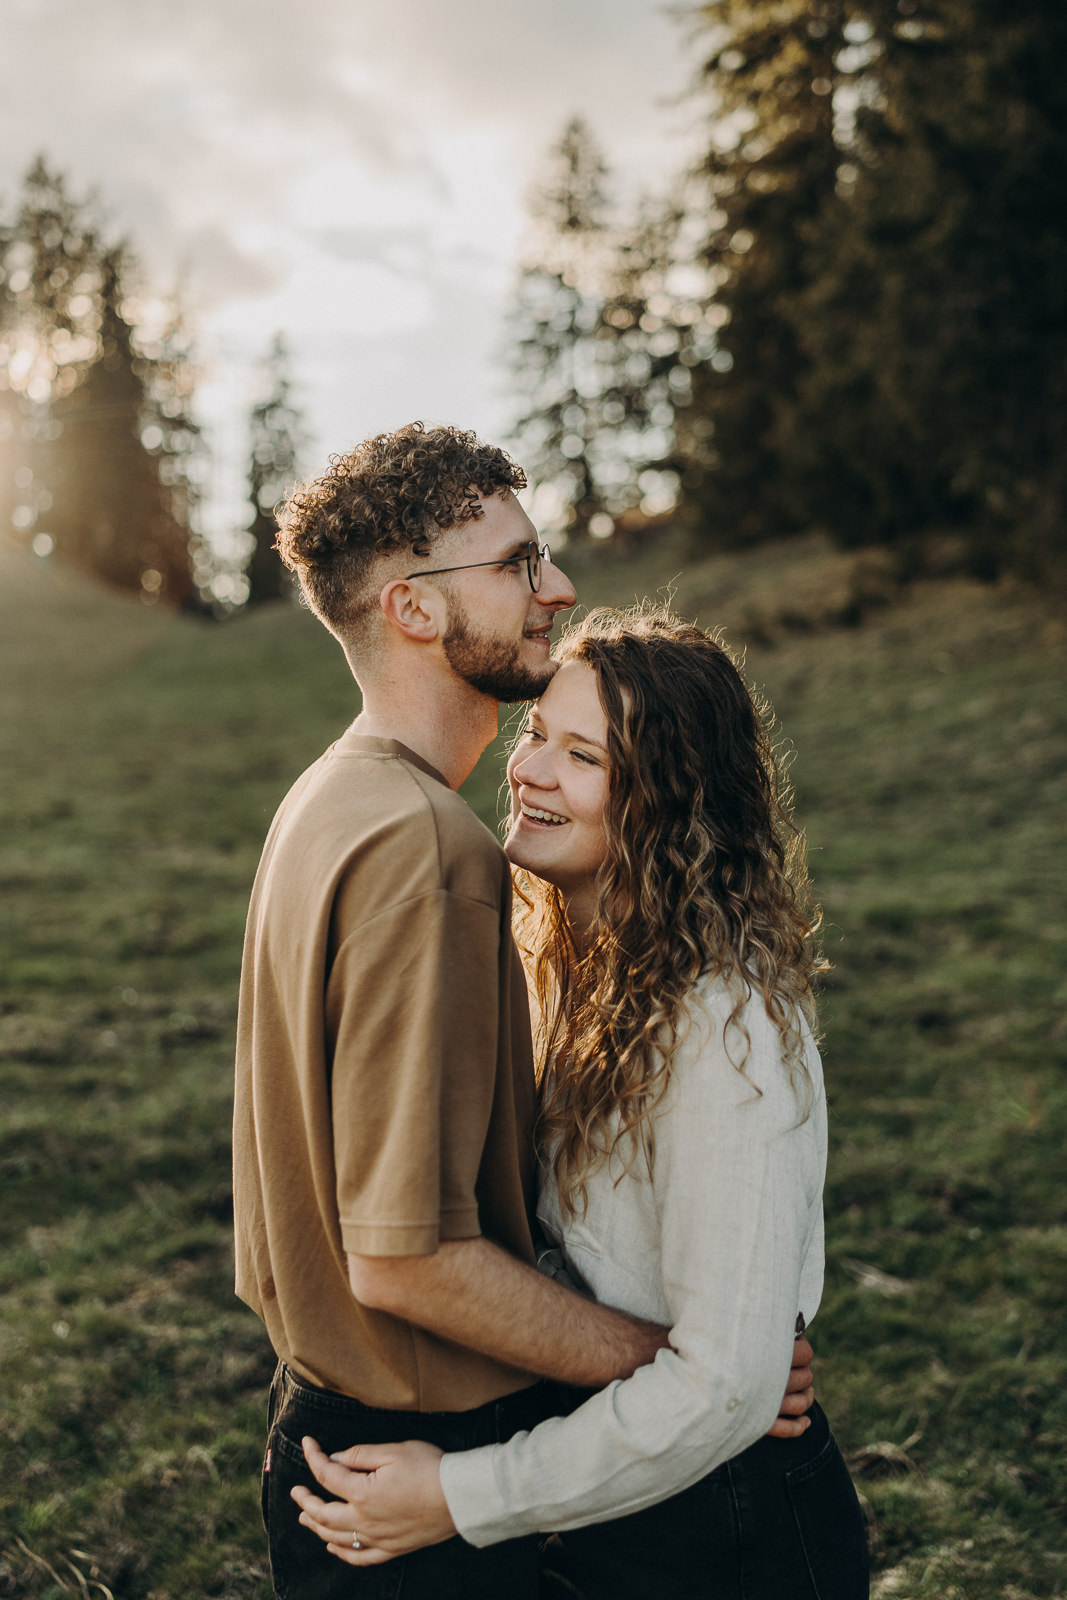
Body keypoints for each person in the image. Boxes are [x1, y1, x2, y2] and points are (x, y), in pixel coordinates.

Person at [232, 424, 816, 1600]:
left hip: (370, 1428)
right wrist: (683, 1364)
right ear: (412, 606)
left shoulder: (328, 798)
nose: (555, 584)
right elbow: (408, 1253)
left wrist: (731, 1360)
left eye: (580, 753)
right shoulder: (430, 851)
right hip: (405, 1444)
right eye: (515, 562)